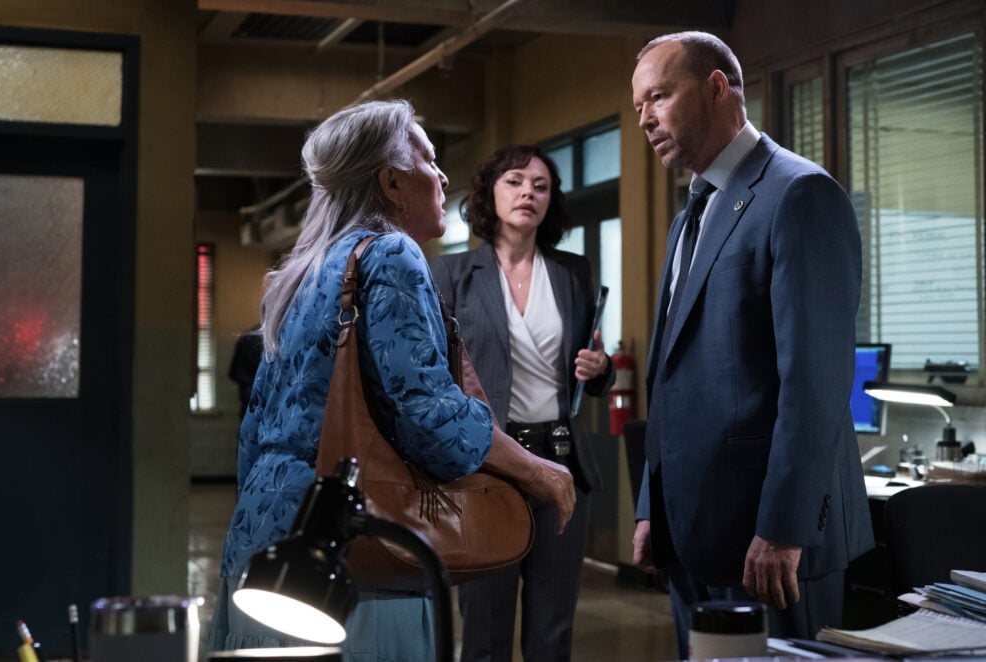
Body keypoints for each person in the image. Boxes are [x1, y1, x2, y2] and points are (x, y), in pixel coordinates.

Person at [206, 100, 576, 661]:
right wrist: (537, 471)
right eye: (429, 160)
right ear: (393, 182)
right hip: (356, 543)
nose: (443, 175)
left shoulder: (302, 272)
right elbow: (429, 415)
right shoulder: (392, 253)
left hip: (268, 539)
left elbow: (255, 428)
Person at [629, 31, 874, 657]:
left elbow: (815, 383)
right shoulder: (691, 212)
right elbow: (671, 370)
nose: (646, 118)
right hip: (692, 532)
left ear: (717, 87)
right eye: (638, 107)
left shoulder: (799, 193)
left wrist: (785, 529)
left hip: (771, 542)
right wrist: (650, 505)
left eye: (658, 96)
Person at [431, 145, 613, 662]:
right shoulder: (451, 275)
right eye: (514, 181)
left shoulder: (573, 273)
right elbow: (436, 376)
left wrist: (601, 369)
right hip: (489, 466)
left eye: (540, 185)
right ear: (490, 192)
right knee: (484, 628)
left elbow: (591, 363)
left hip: (561, 461)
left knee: (553, 629)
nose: (528, 193)